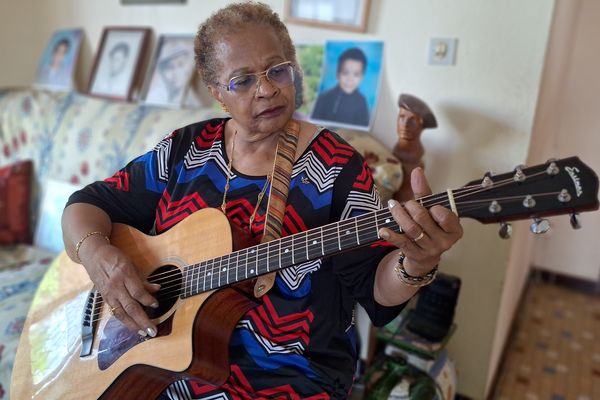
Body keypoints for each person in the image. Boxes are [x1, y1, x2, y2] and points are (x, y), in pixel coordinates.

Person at [61, 3, 462, 399]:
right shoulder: (186, 150)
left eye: (277, 71)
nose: (267, 89)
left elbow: (375, 288)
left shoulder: (336, 167)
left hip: (291, 376)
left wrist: (418, 262)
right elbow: (84, 206)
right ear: (217, 92)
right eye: (243, 80)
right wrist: (98, 256)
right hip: (167, 369)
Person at [392, 93, 438, 202]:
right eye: (402, 117)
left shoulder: (416, 162)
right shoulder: (395, 152)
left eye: (412, 120)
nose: (405, 124)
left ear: (421, 125)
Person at [310, 47, 370, 127]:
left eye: (356, 74)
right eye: (345, 73)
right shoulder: (324, 98)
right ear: (337, 74)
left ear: (362, 78)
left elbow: (363, 127)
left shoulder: (361, 101)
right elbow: (314, 122)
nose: (350, 79)